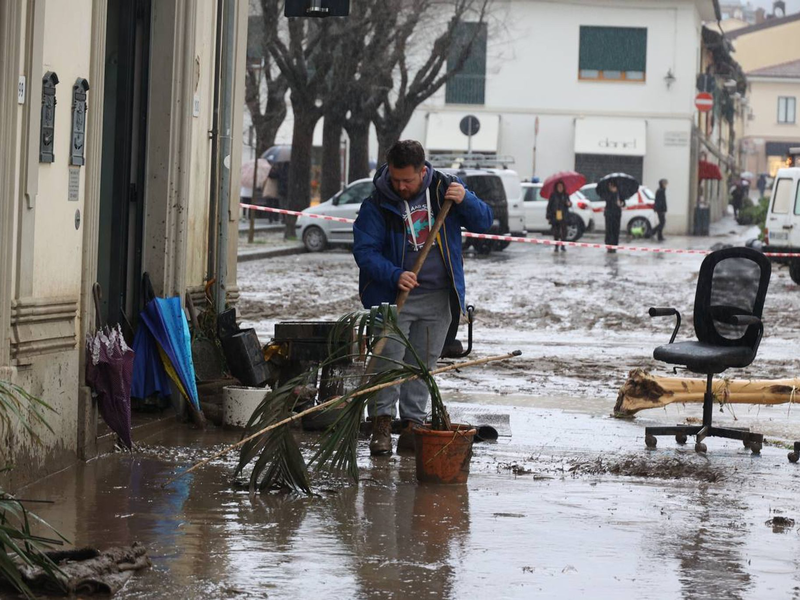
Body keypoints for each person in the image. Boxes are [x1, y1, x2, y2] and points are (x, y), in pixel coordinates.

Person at [352, 140, 493, 456]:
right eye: (396, 179)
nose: (400, 186)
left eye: (408, 180)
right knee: (387, 363)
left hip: (438, 297)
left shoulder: (446, 190)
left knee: (421, 366)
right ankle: (382, 426)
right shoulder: (376, 203)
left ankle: (413, 427)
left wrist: (466, 200)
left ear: (423, 171)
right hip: (391, 298)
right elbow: (364, 251)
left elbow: (484, 221)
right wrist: (394, 274)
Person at [546, 180, 572, 252]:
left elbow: (569, 203)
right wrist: (548, 215)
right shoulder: (553, 195)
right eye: (559, 187)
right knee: (556, 232)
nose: (560, 188)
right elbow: (549, 206)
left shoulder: (565, 195)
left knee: (564, 231)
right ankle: (556, 246)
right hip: (555, 215)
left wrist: (569, 204)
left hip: (564, 215)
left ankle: (563, 245)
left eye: (561, 187)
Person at [600, 180, 624, 253]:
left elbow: (623, 202)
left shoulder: (619, 194)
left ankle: (615, 245)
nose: (611, 187)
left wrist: (621, 203)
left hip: (617, 214)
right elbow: (608, 200)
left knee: (616, 230)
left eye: (613, 186)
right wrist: (612, 194)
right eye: (610, 186)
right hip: (609, 214)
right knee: (609, 229)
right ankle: (609, 245)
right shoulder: (607, 193)